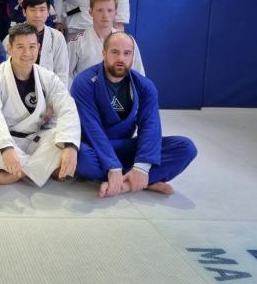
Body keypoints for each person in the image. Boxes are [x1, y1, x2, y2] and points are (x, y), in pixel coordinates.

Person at [71, 32, 197, 198]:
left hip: (126, 146)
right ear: (104, 53)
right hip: (96, 147)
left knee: (185, 147)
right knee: (80, 156)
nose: (121, 58)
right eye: (115, 52)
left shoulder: (144, 86)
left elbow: (150, 126)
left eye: (127, 53)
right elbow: (92, 128)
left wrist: (142, 166)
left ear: (133, 56)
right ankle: (143, 180)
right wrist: (112, 166)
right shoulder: (84, 82)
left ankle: (126, 183)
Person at [0, 24, 80, 187]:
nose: (27, 53)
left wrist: (70, 146)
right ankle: (39, 170)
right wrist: (6, 148)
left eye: (32, 47)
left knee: (62, 139)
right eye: (20, 47)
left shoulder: (47, 77)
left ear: (39, 48)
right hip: (5, 141)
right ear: (9, 48)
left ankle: (17, 174)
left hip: (35, 139)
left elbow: (67, 107)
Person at [68, 0, 144, 83]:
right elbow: (66, 74)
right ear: (90, 12)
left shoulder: (128, 41)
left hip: (119, 90)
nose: (105, 15)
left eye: (109, 10)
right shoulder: (77, 42)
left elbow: (139, 74)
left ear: (116, 13)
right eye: (100, 10)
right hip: (86, 90)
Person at [3, 0, 69, 86]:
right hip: (18, 87)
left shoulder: (57, 37)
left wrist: (59, 94)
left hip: (49, 89)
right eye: (32, 10)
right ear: (24, 12)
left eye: (42, 10)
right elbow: (5, 69)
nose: (37, 15)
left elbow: (62, 72)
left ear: (48, 12)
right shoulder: (11, 37)